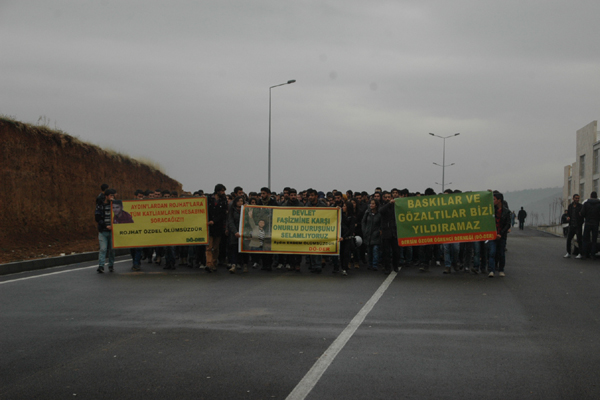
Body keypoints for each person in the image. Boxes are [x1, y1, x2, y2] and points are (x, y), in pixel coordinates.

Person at [206, 183, 228, 272]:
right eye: (222, 191)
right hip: (209, 227)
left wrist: (214, 221)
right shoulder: (209, 199)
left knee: (215, 248)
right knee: (208, 247)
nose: (223, 192)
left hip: (218, 226)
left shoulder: (223, 201)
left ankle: (214, 263)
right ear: (217, 191)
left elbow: (223, 214)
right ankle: (209, 264)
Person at [488, 192, 511, 278]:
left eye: (494, 199)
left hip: (502, 236)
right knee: (492, 252)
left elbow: (507, 225)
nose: (492, 201)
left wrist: (500, 234)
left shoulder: (506, 212)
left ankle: (501, 270)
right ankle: (491, 270)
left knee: (501, 253)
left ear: (499, 200)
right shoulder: (491, 210)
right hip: (492, 235)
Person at [95, 189, 116, 273]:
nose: (112, 197)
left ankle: (111, 265)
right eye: (110, 195)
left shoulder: (116, 205)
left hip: (113, 231)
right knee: (103, 249)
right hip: (103, 230)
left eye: (113, 196)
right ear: (106, 196)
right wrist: (105, 225)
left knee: (112, 249)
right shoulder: (100, 205)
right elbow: (97, 217)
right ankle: (101, 265)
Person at [362, 199, 382, 271]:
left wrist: (379, 231)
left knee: (375, 250)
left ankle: (375, 264)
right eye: (370, 203)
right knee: (369, 251)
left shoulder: (379, 214)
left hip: (376, 235)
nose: (371, 205)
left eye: (373, 204)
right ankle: (369, 264)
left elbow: (381, 223)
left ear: (376, 205)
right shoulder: (367, 212)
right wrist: (364, 230)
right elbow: (363, 222)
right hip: (368, 235)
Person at [580, 192, 600, 259]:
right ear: (596, 196)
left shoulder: (586, 204)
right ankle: (593, 254)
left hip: (588, 223)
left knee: (585, 239)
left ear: (590, 196)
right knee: (594, 240)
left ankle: (585, 254)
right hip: (596, 224)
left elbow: (582, 213)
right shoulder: (599, 204)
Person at [564, 194, 584, 258]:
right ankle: (568, 252)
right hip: (572, 225)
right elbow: (568, 214)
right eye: (576, 198)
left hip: (578, 226)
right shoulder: (570, 206)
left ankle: (580, 253)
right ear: (573, 199)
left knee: (579, 240)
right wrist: (568, 217)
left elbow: (583, 214)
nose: (577, 200)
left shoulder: (581, 206)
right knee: (569, 239)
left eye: (578, 198)